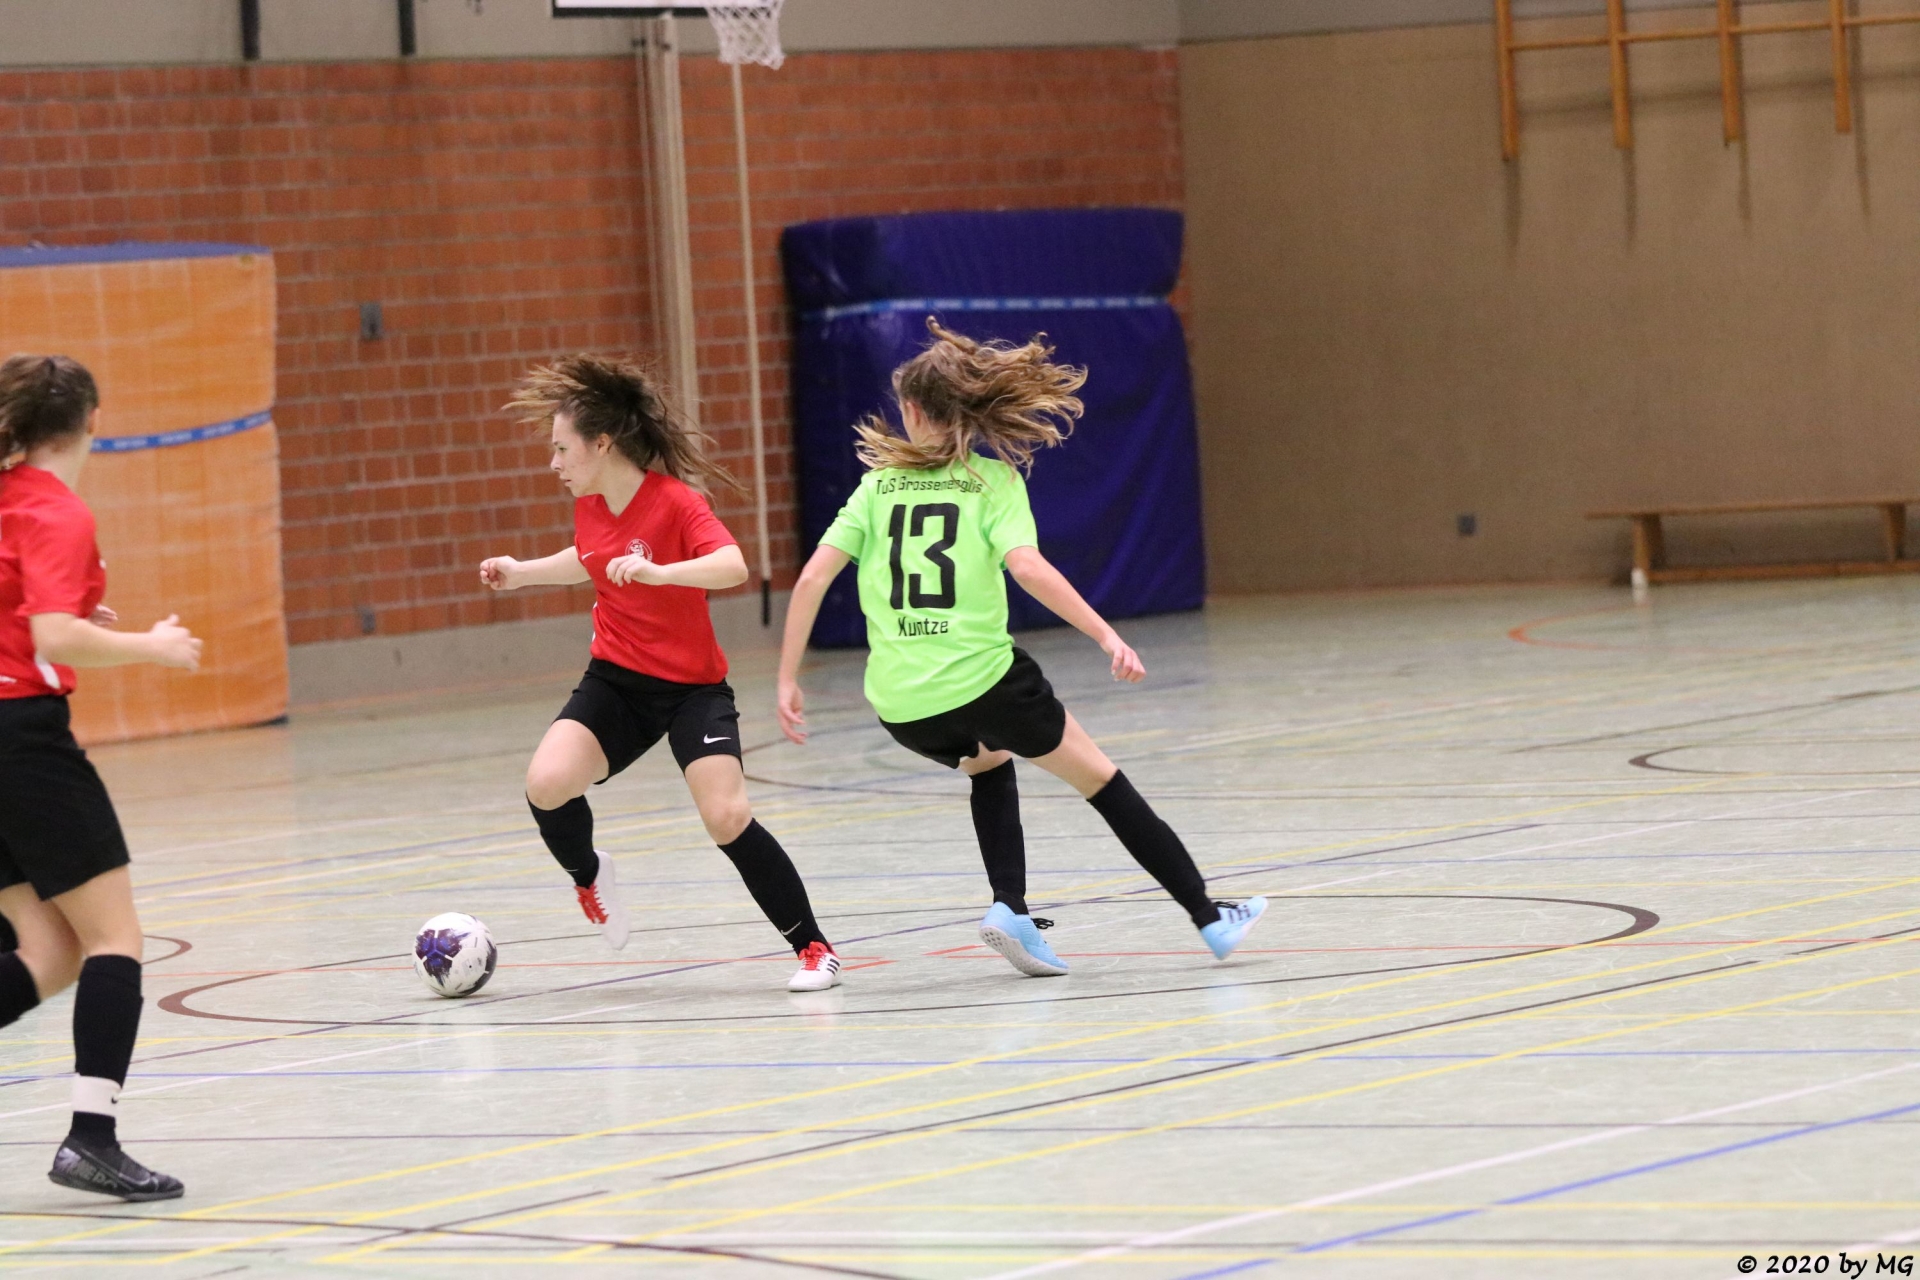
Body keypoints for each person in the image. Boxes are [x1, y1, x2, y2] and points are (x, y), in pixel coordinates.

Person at [777, 320, 1265, 978]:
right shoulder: (993, 482)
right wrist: (1104, 633)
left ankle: (1012, 909)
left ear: (914, 411)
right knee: (1102, 782)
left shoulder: (875, 487)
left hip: (901, 703)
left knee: (987, 763)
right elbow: (1028, 568)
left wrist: (787, 679)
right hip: (985, 680)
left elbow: (812, 579)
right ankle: (1209, 917)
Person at [480, 355, 842, 992]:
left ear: (602, 444)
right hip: (616, 683)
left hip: (691, 691)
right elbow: (589, 558)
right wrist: (522, 572)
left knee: (726, 816)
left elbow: (732, 565)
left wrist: (660, 572)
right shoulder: (590, 504)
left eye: (562, 449)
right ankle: (590, 875)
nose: (553, 463)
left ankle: (815, 949)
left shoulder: (676, 502)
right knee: (546, 785)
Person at [0, 355, 203, 1199]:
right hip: (21, 739)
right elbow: (51, 635)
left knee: (48, 951)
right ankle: (91, 1138)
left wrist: (76, 616)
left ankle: (91, 1136)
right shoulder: (55, 508)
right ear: (90, 421)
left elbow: (29, 608)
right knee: (116, 939)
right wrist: (149, 647)